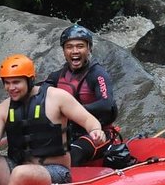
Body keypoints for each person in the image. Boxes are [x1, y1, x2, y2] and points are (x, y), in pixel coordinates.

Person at [0, 54, 106, 185]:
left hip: (55, 172)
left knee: (21, 173)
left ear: (30, 80)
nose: (11, 88)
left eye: (16, 82)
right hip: (18, 167)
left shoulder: (57, 97)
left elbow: (88, 119)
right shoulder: (2, 110)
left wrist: (96, 130)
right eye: (7, 83)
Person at [45, 24, 119, 166]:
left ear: (89, 48)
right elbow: (36, 95)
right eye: (69, 47)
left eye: (80, 46)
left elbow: (106, 103)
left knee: (74, 153)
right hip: (68, 133)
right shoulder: (57, 77)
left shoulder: (98, 74)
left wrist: (70, 111)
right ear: (64, 51)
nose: (74, 51)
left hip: (97, 133)